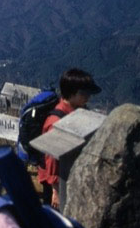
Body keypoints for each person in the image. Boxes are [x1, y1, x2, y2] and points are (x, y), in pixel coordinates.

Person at [37, 68, 101, 210]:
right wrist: (56, 191)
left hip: (66, 179)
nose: (88, 97)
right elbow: (52, 159)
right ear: (71, 93)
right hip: (57, 185)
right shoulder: (56, 122)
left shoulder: (74, 113)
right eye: (84, 93)